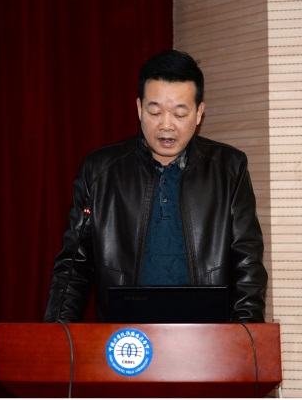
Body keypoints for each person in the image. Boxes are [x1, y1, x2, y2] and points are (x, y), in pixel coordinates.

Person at [43, 50, 267, 323]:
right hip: (125, 337)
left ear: (199, 113)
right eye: (155, 112)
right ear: (139, 108)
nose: (166, 125)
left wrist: (245, 337)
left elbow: (247, 265)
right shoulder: (100, 170)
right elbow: (73, 267)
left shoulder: (229, 168)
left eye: (180, 113)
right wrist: (57, 334)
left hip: (206, 334)